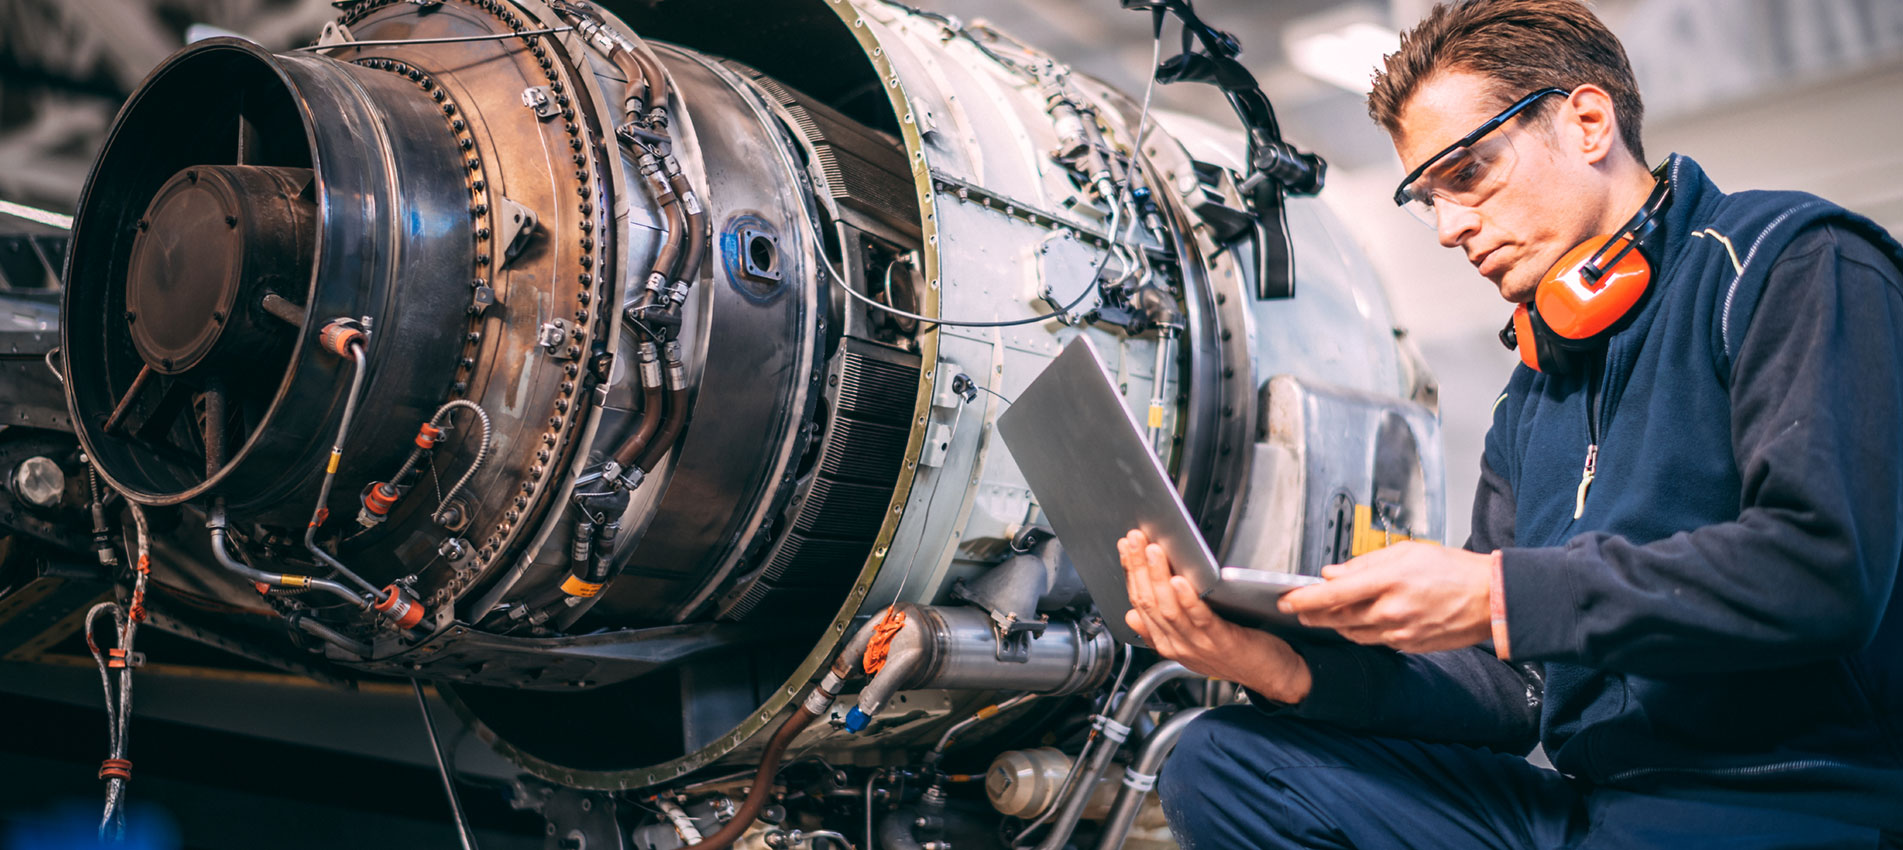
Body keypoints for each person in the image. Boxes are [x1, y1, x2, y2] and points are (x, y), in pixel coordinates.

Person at [1121, 1, 1903, 847]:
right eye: (1427, 198)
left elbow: (1820, 568)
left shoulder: (1792, 262)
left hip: (1791, 800)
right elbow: (1512, 692)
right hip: (1592, 802)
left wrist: (1496, 594)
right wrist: (1285, 670)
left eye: (1466, 173)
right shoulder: (1535, 384)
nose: (1450, 226)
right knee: (1222, 763)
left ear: (1588, 122)